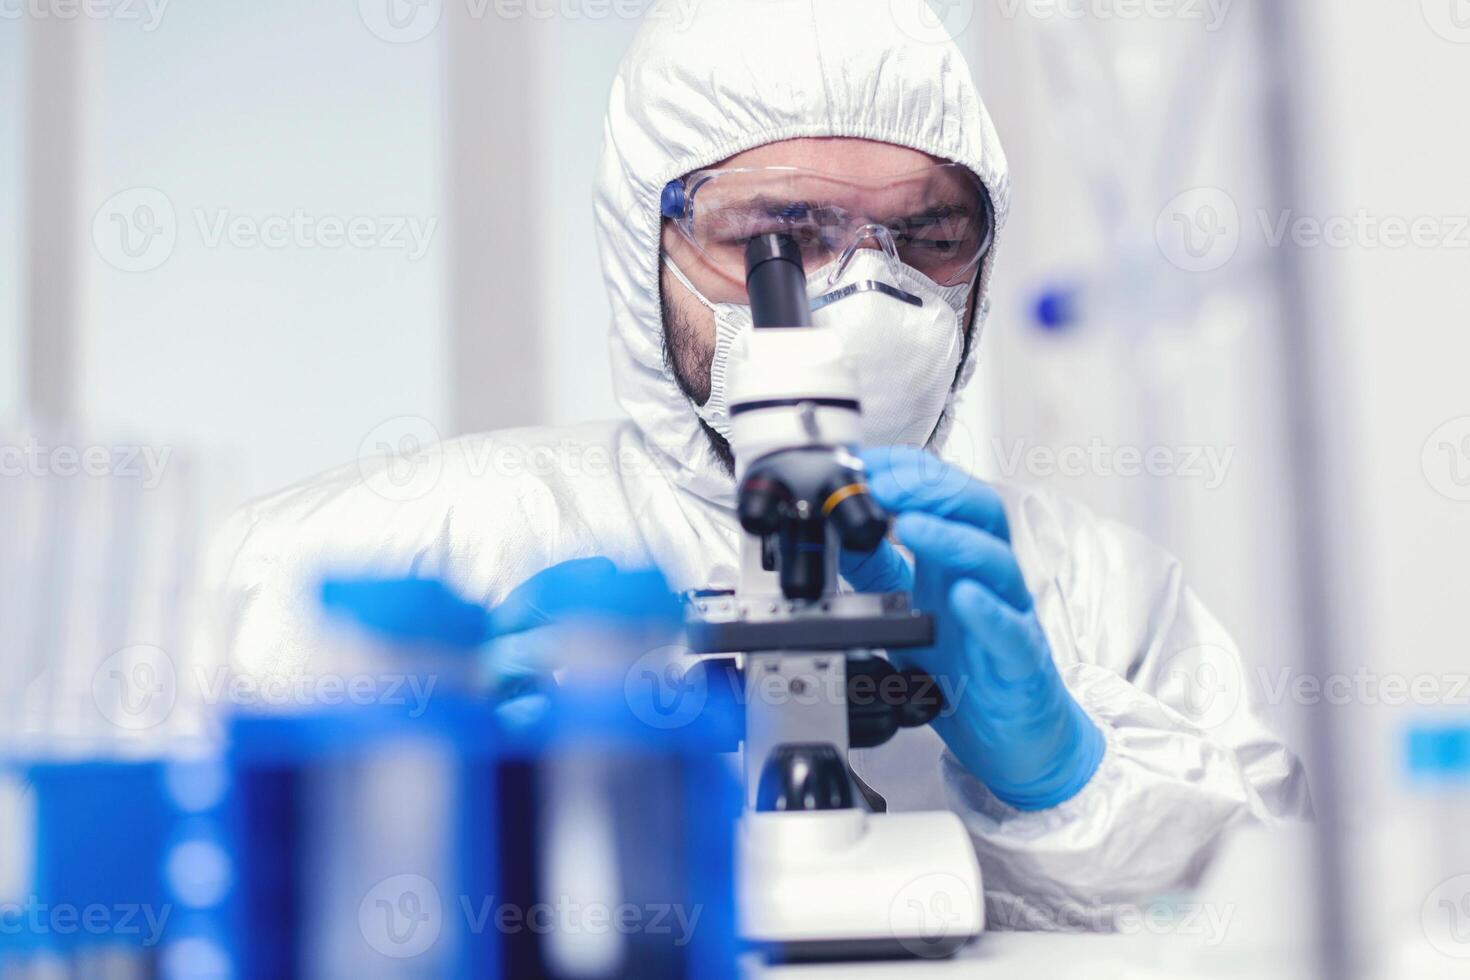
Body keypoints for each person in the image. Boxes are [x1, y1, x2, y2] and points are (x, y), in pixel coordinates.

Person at [207, 0, 1309, 930]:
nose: (868, 299)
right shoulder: (413, 539)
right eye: (780, 239)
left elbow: (1280, 923)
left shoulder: (1094, 590)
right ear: (647, 249)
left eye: (929, 237)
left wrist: (1067, 768)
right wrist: (445, 791)